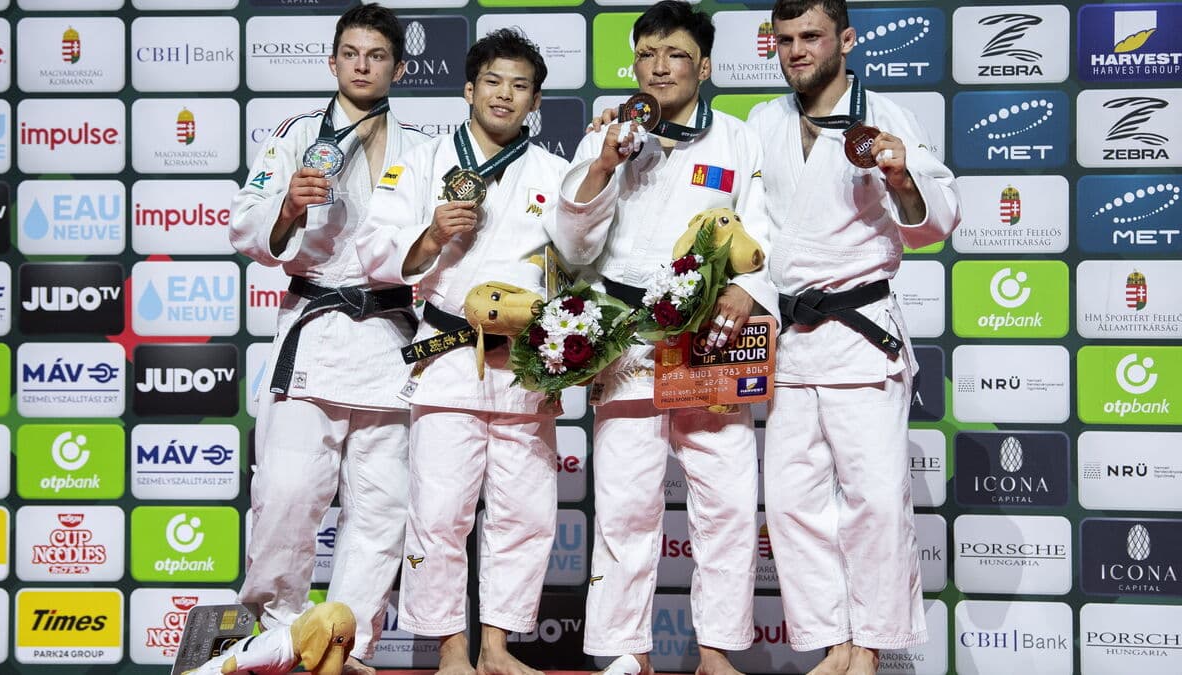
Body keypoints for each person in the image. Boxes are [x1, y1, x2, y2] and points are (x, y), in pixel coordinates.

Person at [551, 3, 775, 674]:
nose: (658, 67)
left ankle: (716, 652)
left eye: (675, 54)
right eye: (646, 54)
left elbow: (763, 231)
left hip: (707, 341)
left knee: (727, 502)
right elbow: (570, 244)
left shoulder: (738, 139)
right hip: (625, 336)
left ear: (703, 67)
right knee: (626, 503)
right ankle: (626, 651)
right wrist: (602, 166)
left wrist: (749, 290)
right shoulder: (610, 136)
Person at [747, 1, 961, 674]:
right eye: (785, 39)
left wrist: (901, 178)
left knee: (874, 499)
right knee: (792, 503)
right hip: (790, 339)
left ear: (845, 39)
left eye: (810, 36)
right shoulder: (763, 121)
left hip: (861, 336)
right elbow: (748, 222)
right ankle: (832, 641)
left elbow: (936, 222)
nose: (796, 50)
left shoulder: (887, 119)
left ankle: (867, 646)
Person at [356, 28, 568, 675]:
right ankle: (450, 650)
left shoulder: (556, 174)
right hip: (448, 357)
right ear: (469, 89)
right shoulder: (420, 163)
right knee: (439, 512)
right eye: (494, 82)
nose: (505, 95)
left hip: (526, 366)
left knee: (525, 513)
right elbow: (374, 250)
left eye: (520, 86)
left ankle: (497, 648)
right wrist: (430, 235)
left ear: (535, 101)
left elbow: (576, 266)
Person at [228, 5, 431, 673]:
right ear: (332, 61)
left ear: (399, 68)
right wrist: (288, 206)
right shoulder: (295, 135)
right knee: (286, 496)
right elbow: (245, 225)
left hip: (390, 339)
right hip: (314, 333)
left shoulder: (422, 147)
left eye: (377, 55)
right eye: (351, 53)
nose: (363, 65)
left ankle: (347, 648)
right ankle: (276, 637)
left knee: (382, 508)